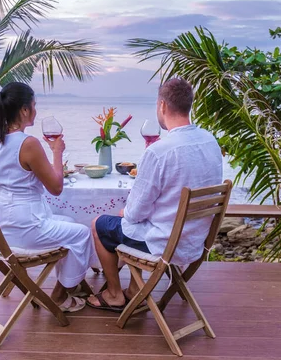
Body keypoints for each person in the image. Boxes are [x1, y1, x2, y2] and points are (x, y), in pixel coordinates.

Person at [87, 78, 223, 311]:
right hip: (194, 242)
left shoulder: (159, 151)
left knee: (100, 224)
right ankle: (134, 290)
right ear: (189, 105)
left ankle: (113, 294)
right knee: (133, 222)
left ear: (162, 106)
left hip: (163, 246)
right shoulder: (209, 141)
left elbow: (135, 213)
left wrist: (126, 212)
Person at [0, 82, 94, 312]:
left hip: (4, 229)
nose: (35, 110)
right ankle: (59, 295)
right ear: (24, 110)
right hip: (26, 229)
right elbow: (56, 187)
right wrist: (56, 152)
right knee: (82, 234)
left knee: (70, 224)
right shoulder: (28, 144)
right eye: (34, 105)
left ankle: (73, 285)